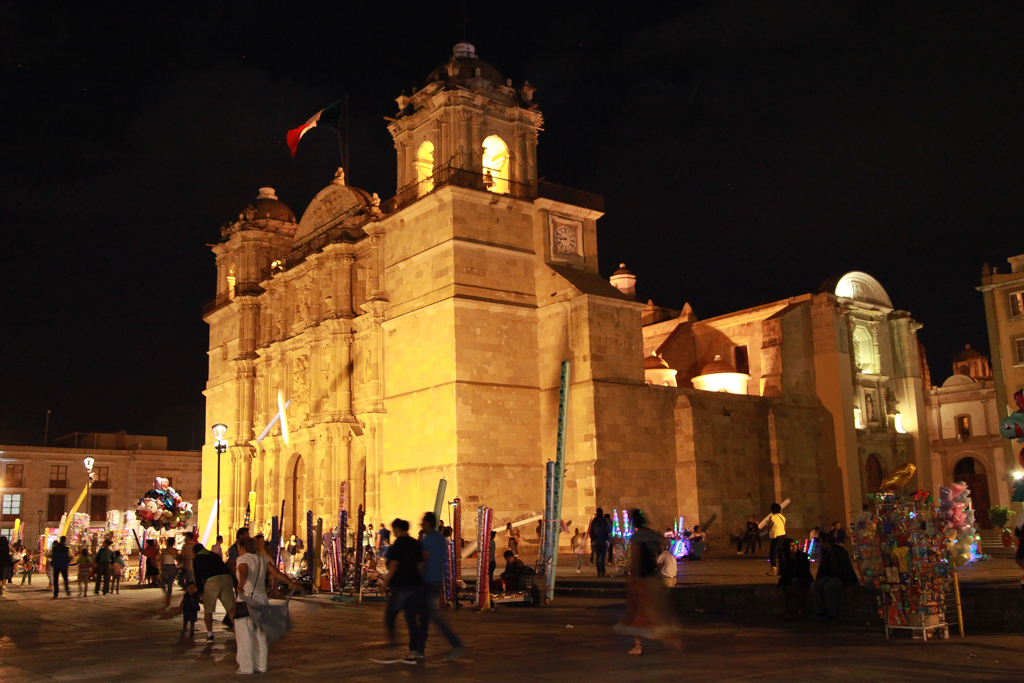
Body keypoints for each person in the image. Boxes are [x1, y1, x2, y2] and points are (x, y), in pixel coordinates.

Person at [614, 509, 681, 655]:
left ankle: (638, 646)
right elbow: (667, 542)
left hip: (642, 578)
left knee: (636, 612)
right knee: (657, 610)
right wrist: (660, 563)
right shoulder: (651, 533)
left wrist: (632, 579)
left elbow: (636, 560)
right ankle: (671, 637)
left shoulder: (636, 538)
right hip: (654, 576)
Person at [235, 535, 300, 674]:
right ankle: (261, 665)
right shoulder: (262, 559)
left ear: (242, 548)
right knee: (261, 635)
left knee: (245, 635)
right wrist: (290, 583)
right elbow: (275, 573)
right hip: (262, 600)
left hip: (246, 600)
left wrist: (240, 585)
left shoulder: (242, 559)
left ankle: (246, 668)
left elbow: (243, 571)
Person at [418, 512, 464, 660]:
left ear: (428, 523)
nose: (421, 524)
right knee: (425, 615)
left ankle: (456, 643)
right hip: (437, 579)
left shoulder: (429, 540)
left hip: (428, 581)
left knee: (434, 616)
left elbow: (424, 560)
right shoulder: (441, 539)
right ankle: (419, 649)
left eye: (423, 522)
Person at [382, 519, 424, 663]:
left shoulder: (398, 544)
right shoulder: (415, 543)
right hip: (415, 584)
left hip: (401, 585)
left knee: (390, 615)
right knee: (411, 619)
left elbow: (393, 565)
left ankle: (393, 640)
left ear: (397, 529)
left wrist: (385, 582)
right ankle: (414, 650)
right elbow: (420, 565)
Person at [193, 541, 235, 643]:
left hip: (212, 581)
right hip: (226, 578)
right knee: (230, 609)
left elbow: (197, 576)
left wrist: (200, 592)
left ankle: (210, 635)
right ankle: (239, 631)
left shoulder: (197, 559)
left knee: (208, 610)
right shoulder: (215, 555)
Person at [811, 534, 859, 619]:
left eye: (821, 542)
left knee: (828, 587)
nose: (820, 544)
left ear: (827, 542)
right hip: (828, 577)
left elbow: (846, 567)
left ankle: (831, 613)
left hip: (839, 577)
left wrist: (848, 583)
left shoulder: (839, 551)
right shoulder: (825, 553)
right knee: (814, 585)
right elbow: (822, 568)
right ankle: (820, 611)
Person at [777, 539, 812, 618]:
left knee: (798, 587)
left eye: (795, 545)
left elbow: (805, 570)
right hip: (789, 579)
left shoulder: (802, 556)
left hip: (802, 577)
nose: (794, 547)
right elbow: (784, 572)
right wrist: (788, 582)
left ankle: (800, 610)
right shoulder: (784, 558)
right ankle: (789, 611)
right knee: (786, 589)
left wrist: (796, 577)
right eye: (791, 546)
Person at [589, 509, 612, 577]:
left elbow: (591, 531)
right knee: (602, 556)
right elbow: (608, 530)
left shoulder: (594, 521)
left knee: (597, 556)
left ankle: (598, 572)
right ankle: (602, 571)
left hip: (595, 541)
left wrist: (592, 539)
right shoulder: (604, 521)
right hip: (602, 540)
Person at [766, 503, 787, 576]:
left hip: (776, 537)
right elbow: (784, 527)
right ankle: (782, 570)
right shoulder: (783, 517)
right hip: (783, 536)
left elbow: (769, 526)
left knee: (772, 553)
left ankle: (773, 569)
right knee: (781, 554)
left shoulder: (773, 517)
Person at [160, 537, 180, 607]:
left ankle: (166, 595)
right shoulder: (175, 550)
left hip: (165, 567)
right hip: (172, 567)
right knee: (170, 584)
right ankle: (168, 598)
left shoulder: (164, 551)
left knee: (162, 582)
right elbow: (178, 559)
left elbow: (160, 559)